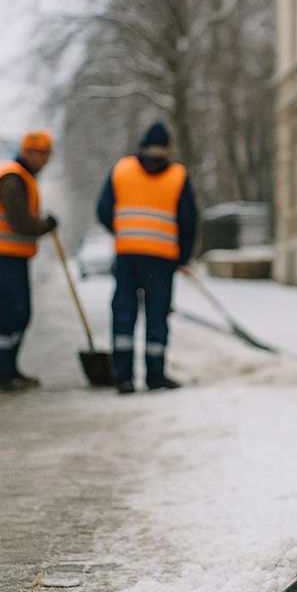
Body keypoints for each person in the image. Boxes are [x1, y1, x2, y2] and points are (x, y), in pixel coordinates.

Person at [96, 121, 197, 394]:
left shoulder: (122, 170)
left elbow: (104, 209)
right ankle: (155, 376)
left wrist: (124, 230)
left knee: (124, 313)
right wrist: (182, 257)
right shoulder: (177, 175)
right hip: (162, 259)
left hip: (128, 256)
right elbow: (188, 220)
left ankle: (123, 376)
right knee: (157, 314)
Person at [0, 130, 58, 391]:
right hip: (3, 254)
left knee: (19, 312)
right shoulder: (12, 178)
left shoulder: (23, 177)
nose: (42, 159)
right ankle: (0, 373)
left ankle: (9, 369)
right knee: (10, 313)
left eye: (46, 154)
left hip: (13, 255)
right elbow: (20, 222)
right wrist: (44, 226)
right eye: (37, 153)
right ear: (26, 152)